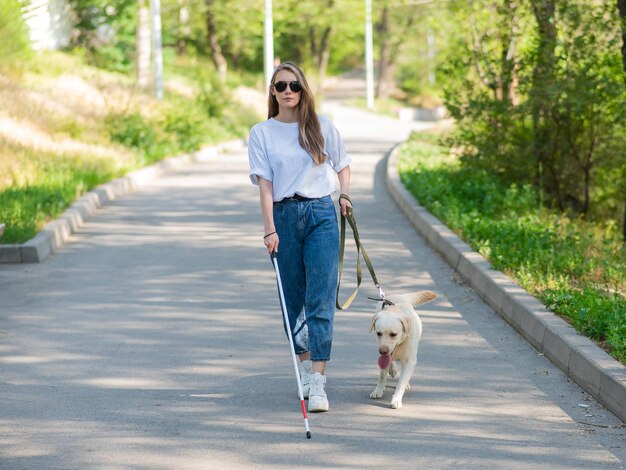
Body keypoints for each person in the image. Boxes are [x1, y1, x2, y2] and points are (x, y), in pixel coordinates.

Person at [247, 61, 352, 412]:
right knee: (293, 301)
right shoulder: (261, 133)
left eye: (294, 85)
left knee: (320, 298)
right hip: (284, 217)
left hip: (321, 212)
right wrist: (269, 229)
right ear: (272, 93)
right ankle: (305, 368)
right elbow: (265, 186)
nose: (288, 91)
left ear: (303, 89)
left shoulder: (322, 127)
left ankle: (319, 383)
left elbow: (342, 164)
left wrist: (344, 194)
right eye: (280, 86)